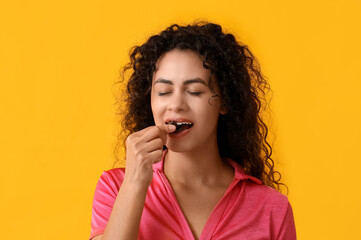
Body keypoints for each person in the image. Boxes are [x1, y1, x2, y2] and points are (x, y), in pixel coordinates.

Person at [89, 22, 296, 240]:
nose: (176, 104)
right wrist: (134, 183)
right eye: (164, 91)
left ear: (224, 101)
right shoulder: (115, 188)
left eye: (194, 91)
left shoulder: (272, 208)